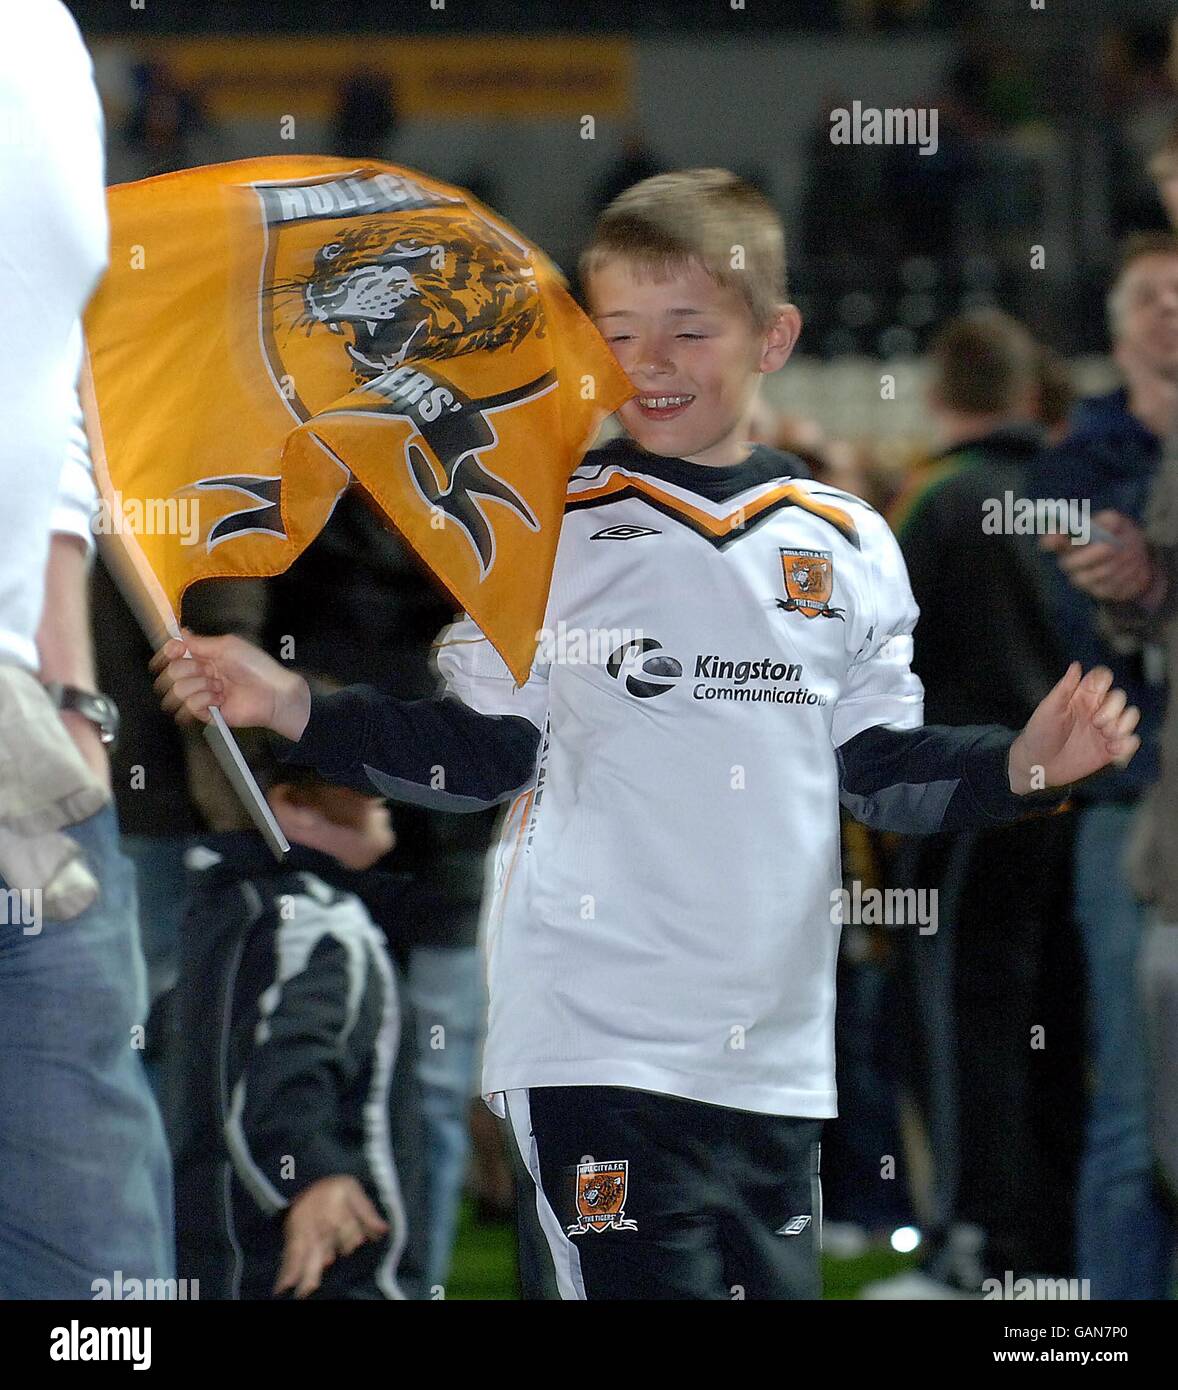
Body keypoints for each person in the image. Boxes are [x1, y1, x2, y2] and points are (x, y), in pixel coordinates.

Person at [152, 169, 1141, 1301]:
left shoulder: (852, 539)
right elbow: (477, 757)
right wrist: (291, 705)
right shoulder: (536, 529)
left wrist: (1023, 764)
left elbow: (876, 774)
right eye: (619, 331)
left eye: (688, 327)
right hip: (593, 1051)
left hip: (771, 1063)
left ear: (772, 337)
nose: (651, 360)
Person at [0, 0, 173, 1297]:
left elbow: (47, 372)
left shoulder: (44, 39)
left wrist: (71, 687)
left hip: (26, 749)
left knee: (99, 1282)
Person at [869, 311, 1081, 1296]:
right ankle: (1041, 1257)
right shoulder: (1066, 497)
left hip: (966, 799)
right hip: (1074, 806)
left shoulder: (938, 499)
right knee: (1046, 1030)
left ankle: (972, 1252)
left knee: (959, 1027)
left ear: (936, 388)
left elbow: (871, 652)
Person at [1033, 233, 1177, 1299]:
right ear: (1115, 321)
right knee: (1134, 1105)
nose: (1169, 311)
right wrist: (1125, 580)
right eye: (1148, 296)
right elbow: (1070, 624)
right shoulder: (1073, 462)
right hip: (1131, 814)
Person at [166, 761, 407, 1300]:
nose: (381, 789)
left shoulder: (217, 907)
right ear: (291, 806)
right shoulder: (319, 923)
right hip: (323, 1256)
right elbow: (284, 1058)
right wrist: (312, 1174)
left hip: (218, 1254)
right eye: (354, 771)